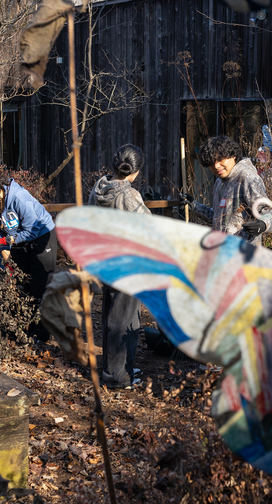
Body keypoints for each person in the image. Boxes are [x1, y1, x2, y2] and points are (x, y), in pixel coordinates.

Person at [89, 144, 149, 389]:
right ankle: (117, 376)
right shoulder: (129, 195)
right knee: (124, 319)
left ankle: (115, 368)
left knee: (112, 315)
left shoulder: (99, 188)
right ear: (135, 172)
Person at [0, 172, 58, 335]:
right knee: (21, 284)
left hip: (41, 236)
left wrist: (5, 242)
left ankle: (42, 331)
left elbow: (32, 230)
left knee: (40, 285)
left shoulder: (19, 197)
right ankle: (24, 326)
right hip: (16, 239)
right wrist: (7, 258)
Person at [180, 135, 272, 245]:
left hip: (243, 254)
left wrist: (262, 225)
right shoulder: (219, 182)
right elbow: (218, 218)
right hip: (221, 252)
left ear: (233, 155)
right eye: (211, 163)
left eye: (220, 159)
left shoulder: (247, 178)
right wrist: (195, 207)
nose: (216, 166)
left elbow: (271, 212)